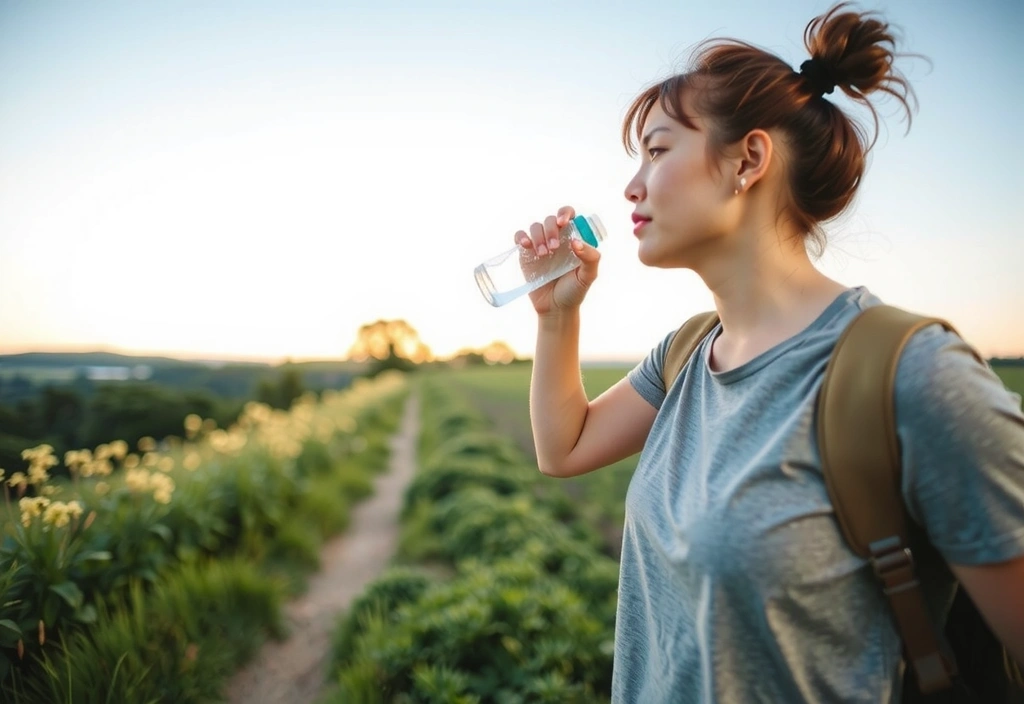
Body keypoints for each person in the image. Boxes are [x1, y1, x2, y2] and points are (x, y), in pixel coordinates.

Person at [515, 2, 1024, 702]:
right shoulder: (688, 352)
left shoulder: (912, 376)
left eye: (658, 150)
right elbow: (562, 450)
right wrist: (557, 316)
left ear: (749, 159)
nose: (631, 186)